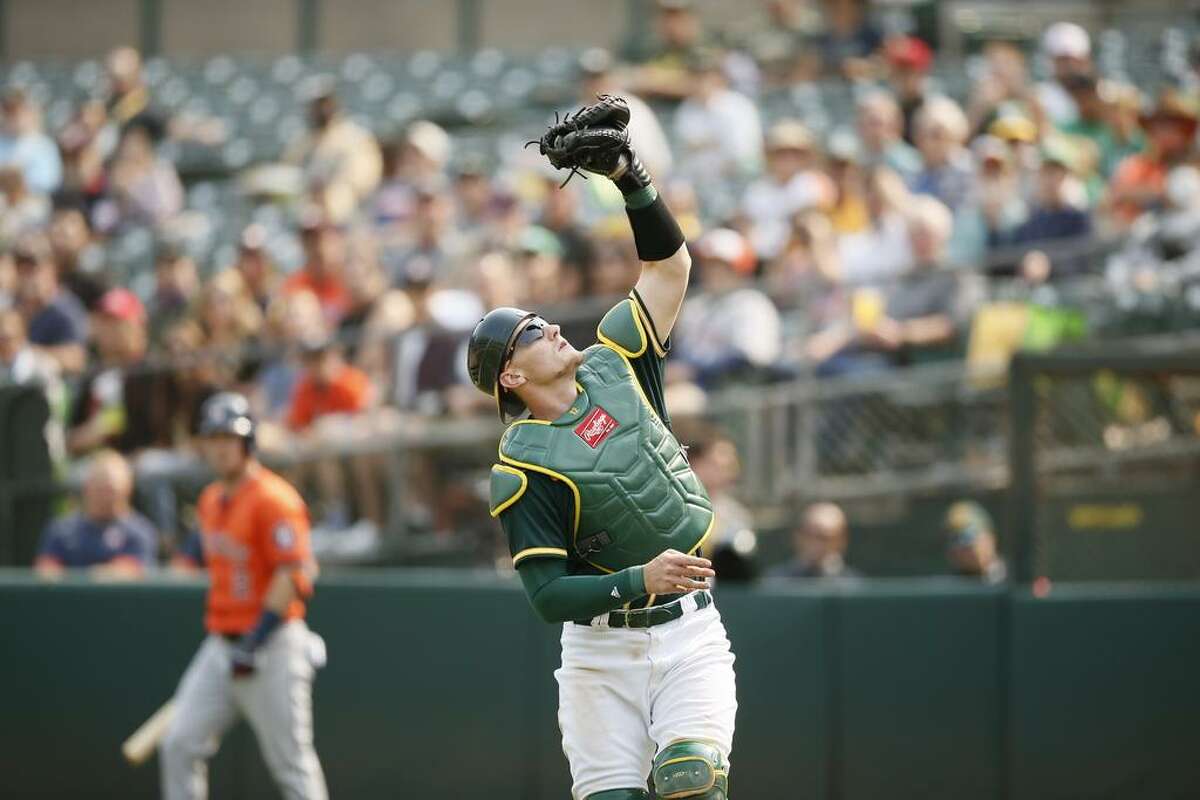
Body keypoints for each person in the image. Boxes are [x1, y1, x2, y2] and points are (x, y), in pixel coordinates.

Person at [466, 97, 736, 800]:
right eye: (528, 333)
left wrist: (630, 179)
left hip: (687, 634)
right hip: (600, 651)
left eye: (540, 319)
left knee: (691, 780)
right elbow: (548, 594)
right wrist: (636, 579)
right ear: (511, 376)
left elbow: (671, 267)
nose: (550, 326)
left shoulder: (615, 359)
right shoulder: (521, 467)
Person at [159, 392, 327, 800]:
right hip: (221, 645)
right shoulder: (211, 499)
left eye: (228, 437)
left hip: (271, 644)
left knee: (291, 764)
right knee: (178, 744)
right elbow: (198, 554)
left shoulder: (275, 498)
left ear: (247, 441)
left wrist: (255, 639)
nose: (219, 446)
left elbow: (297, 571)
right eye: (212, 437)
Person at [34, 449, 156, 578]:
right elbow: (46, 572)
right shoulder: (61, 530)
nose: (106, 497)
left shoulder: (140, 531)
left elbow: (134, 570)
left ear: (127, 490)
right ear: (87, 487)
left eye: (111, 490)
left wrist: (106, 574)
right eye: (100, 489)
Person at [285, 81, 381, 224]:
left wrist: (329, 196)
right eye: (317, 106)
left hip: (346, 217)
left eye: (325, 103)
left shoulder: (355, 138)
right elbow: (289, 177)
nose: (322, 110)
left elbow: (363, 182)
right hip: (307, 219)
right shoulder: (301, 144)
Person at [13, 234, 88, 374]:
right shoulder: (13, 306)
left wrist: (28, 354)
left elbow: (76, 359)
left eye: (35, 269)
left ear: (52, 268)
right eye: (22, 269)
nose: (29, 276)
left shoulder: (65, 308)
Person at [767, 502, 861, 580]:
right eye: (808, 534)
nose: (815, 543)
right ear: (797, 536)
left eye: (824, 537)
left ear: (841, 539)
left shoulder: (854, 585)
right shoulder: (774, 581)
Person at [0, 88, 62, 195]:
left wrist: (18, 180)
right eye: (9, 112)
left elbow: (51, 181)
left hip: (32, 202)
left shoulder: (43, 145)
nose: (14, 117)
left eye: (19, 112)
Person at [943, 500, 1007, 583]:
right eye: (953, 539)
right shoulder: (950, 588)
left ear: (989, 538)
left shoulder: (1015, 580)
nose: (960, 547)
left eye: (967, 536)